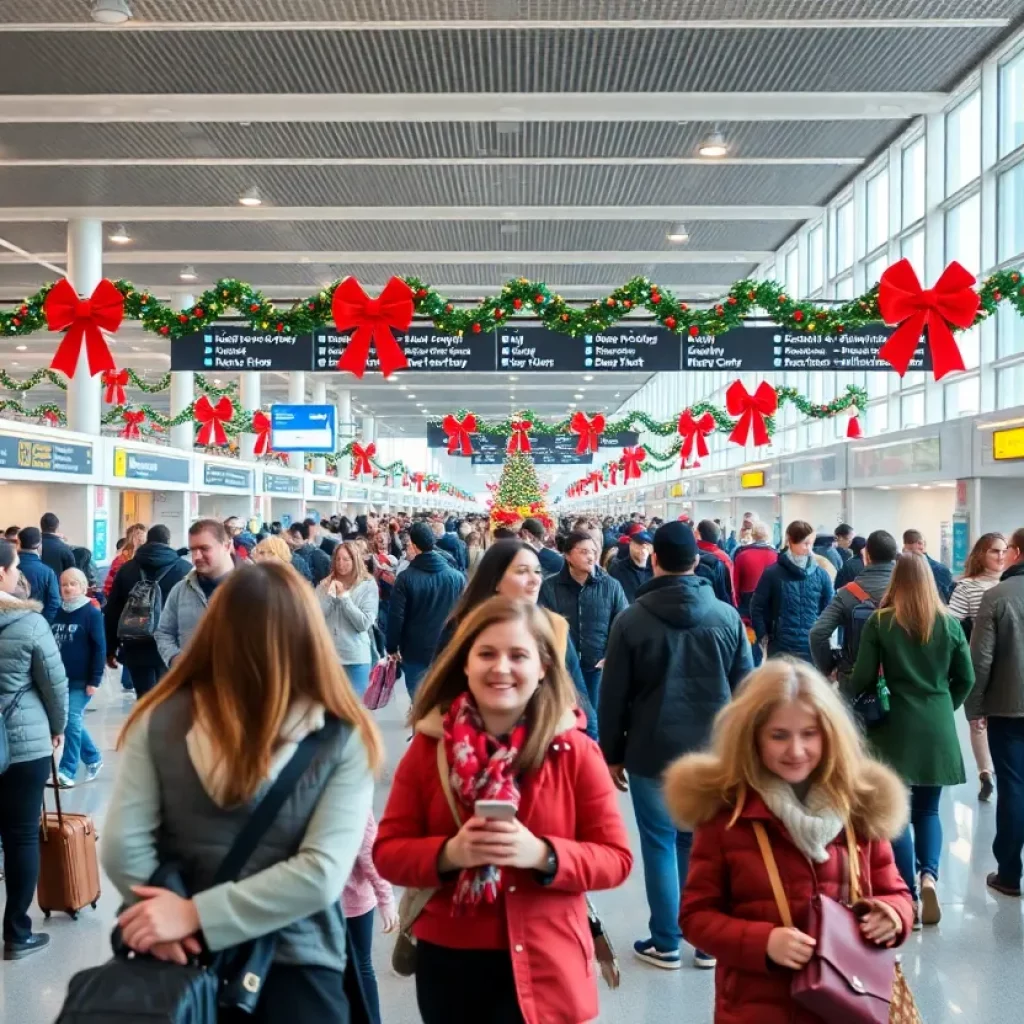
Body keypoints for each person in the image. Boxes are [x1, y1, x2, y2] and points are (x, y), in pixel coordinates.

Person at [101, 562, 381, 1020]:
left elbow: (120, 846)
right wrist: (202, 916)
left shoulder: (159, 718)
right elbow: (322, 872)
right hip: (298, 961)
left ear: (216, 630)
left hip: (178, 963)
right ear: (309, 633)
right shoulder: (342, 734)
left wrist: (178, 921)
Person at [374, 597, 633, 1024]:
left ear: (544, 667)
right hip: (453, 965)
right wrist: (450, 854)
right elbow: (388, 852)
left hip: (550, 957)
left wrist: (543, 855)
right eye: (487, 654)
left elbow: (617, 859)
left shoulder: (574, 752)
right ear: (465, 664)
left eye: (519, 655)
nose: (501, 668)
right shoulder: (429, 749)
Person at [668, 660, 912, 1024]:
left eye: (809, 734)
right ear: (752, 737)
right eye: (778, 735)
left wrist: (893, 915)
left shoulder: (860, 809)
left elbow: (898, 892)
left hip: (848, 1004)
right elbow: (695, 916)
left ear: (829, 735)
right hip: (758, 1008)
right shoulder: (726, 817)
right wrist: (762, 942)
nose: (795, 750)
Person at [600, 521, 752, 970]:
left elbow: (614, 694)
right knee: (705, 843)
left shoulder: (631, 619)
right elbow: (745, 689)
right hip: (714, 751)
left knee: (660, 842)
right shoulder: (725, 616)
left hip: (652, 749)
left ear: (656, 560)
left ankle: (666, 941)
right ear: (697, 560)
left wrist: (612, 752)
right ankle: (708, 941)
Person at [847, 553, 974, 927]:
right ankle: (929, 876)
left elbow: (863, 678)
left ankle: (909, 900)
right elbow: (965, 678)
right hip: (937, 726)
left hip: (894, 728)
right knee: (930, 811)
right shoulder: (949, 625)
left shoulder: (881, 623)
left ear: (896, 581)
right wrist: (943, 706)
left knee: (897, 814)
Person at [434, 539, 597, 738]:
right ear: (495, 581)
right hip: (469, 744)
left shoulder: (554, 628)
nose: (535, 580)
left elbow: (579, 696)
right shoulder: (463, 629)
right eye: (522, 571)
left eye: (537, 571)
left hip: (544, 745)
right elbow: (440, 695)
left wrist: (591, 745)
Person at [0, 540, 68, 960]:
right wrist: (57, 729)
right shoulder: (30, 623)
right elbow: (54, 684)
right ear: (3, 575)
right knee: (22, 835)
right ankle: (16, 934)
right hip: (24, 747)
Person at [967, 526, 1024, 897]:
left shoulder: (997, 596)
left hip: (1009, 709)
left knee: (1014, 786)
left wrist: (975, 707)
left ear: (1016, 552)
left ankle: (1008, 873)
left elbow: (981, 659)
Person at [539, 530, 628, 711]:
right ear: (568, 555)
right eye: (584, 552)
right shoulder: (550, 587)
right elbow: (542, 625)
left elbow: (623, 623)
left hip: (596, 667)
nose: (591, 557)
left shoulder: (610, 586)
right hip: (562, 669)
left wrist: (609, 654)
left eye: (594, 552)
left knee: (594, 716)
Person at [949, 532, 1007, 802]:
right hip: (980, 661)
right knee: (978, 721)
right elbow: (951, 621)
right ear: (981, 554)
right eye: (994, 551)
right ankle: (986, 772)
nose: (1000, 556)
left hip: (1009, 662)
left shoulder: (1011, 583)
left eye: (1004, 551)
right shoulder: (967, 587)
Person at [105, 525, 192, 699]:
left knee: (144, 698)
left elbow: (113, 609)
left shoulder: (127, 568)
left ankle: (146, 723)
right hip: (171, 644)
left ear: (147, 541)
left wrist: (111, 648)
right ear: (168, 542)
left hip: (135, 642)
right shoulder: (184, 569)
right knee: (167, 698)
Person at [808, 529, 899, 691]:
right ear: (894, 556)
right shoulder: (910, 591)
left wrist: (831, 668)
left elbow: (817, 633)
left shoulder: (848, 593)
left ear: (867, 556)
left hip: (854, 680)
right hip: (899, 679)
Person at [385, 521, 465, 700]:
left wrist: (391, 647)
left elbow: (396, 616)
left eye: (407, 545)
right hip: (447, 650)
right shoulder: (457, 578)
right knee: (443, 705)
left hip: (415, 652)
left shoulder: (406, 579)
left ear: (414, 546)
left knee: (419, 705)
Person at [154, 519, 235, 670]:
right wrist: (174, 658)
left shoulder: (253, 589)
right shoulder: (180, 590)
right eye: (193, 550)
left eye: (204, 548)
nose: (197, 556)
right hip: (191, 687)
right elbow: (163, 632)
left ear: (227, 546)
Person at [750, 520, 833, 662]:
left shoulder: (821, 574)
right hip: (780, 645)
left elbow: (830, 609)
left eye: (811, 543)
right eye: (804, 543)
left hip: (811, 646)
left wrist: (823, 635)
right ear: (790, 541)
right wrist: (763, 634)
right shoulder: (772, 573)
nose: (809, 548)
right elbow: (757, 606)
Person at [52, 568, 105, 788]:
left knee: (71, 720)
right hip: (59, 680)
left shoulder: (91, 613)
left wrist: (95, 679)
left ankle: (67, 770)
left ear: (83, 587)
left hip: (82, 680)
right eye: (64, 584)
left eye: (73, 584)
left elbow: (99, 648)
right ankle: (93, 758)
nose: (68, 588)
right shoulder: (57, 612)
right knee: (70, 722)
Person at [342, 812, 396, 1024]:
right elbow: (369, 854)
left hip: (328, 903)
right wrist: (386, 899)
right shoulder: (352, 790)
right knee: (361, 967)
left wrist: (385, 898)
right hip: (352, 902)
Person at [317, 541, 380, 698]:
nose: (341, 564)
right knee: (331, 711)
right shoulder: (324, 584)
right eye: (338, 559)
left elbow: (363, 623)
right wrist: (331, 595)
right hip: (329, 656)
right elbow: (315, 618)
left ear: (355, 560)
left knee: (353, 712)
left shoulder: (367, 585)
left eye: (346, 559)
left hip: (355, 657)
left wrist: (344, 598)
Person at [731, 521, 777, 664]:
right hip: (770, 603)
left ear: (753, 535)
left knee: (751, 641)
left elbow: (735, 586)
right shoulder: (776, 556)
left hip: (747, 602)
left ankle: (753, 667)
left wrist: (738, 605)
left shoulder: (742, 556)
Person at [15, 527, 59, 624]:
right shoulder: (48, 572)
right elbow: (54, 603)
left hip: (11, 624)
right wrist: (45, 623)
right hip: (38, 623)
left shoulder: (9, 568)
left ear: (19, 542)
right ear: (39, 544)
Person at [903, 529, 954, 603]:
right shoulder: (942, 570)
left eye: (910, 549)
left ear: (921, 544)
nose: (907, 552)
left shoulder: (940, 570)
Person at [607, 528, 654, 604]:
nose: (643, 548)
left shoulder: (656, 570)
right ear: (630, 544)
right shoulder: (617, 569)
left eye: (647, 544)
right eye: (638, 543)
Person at [104, 523, 146, 598]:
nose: (141, 540)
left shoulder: (149, 557)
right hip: (124, 599)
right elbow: (110, 587)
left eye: (142, 537)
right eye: (137, 537)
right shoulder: (121, 560)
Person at [289, 521, 331, 587]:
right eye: (289, 536)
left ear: (305, 540)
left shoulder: (317, 555)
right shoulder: (285, 553)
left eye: (295, 538)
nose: (290, 540)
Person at [39, 512, 75, 577]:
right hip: (58, 585)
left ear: (41, 526)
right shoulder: (64, 548)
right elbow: (71, 574)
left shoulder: (32, 546)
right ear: (57, 526)